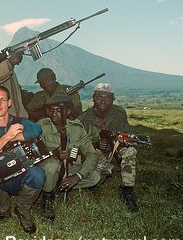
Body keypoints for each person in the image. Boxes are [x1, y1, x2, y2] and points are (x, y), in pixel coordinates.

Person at [0, 86, 45, 233]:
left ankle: (23, 208)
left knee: (38, 175)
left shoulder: (19, 121)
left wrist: (13, 138)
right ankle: (3, 202)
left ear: (9, 102)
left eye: (2, 100)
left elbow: (36, 130)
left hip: (20, 175)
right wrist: (6, 137)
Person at [36, 94, 100, 220]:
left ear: (68, 111)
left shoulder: (77, 129)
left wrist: (77, 176)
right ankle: (47, 198)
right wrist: (53, 153)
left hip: (67, 170)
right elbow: (35, 153)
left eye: (59, 111)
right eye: (51, 110)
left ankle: (58, 188)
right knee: (52, 166)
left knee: (95, 177)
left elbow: (92, 154)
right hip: (48, 169)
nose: (54, 114)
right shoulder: (41, 127)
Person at [78, 83, 138, 212]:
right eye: (100, 97)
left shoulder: (119, 113)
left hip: (114, 150)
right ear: (93, 97)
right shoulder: (83, 119)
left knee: (130, 151)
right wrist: (95, 144)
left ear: (113, 100)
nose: (103, 101)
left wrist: (119, 141)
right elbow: (77, 145)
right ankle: (97, 179)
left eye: (108, 97)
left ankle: (127, 190)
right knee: (97, 177)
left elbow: (127, 135)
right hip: (93, 154)